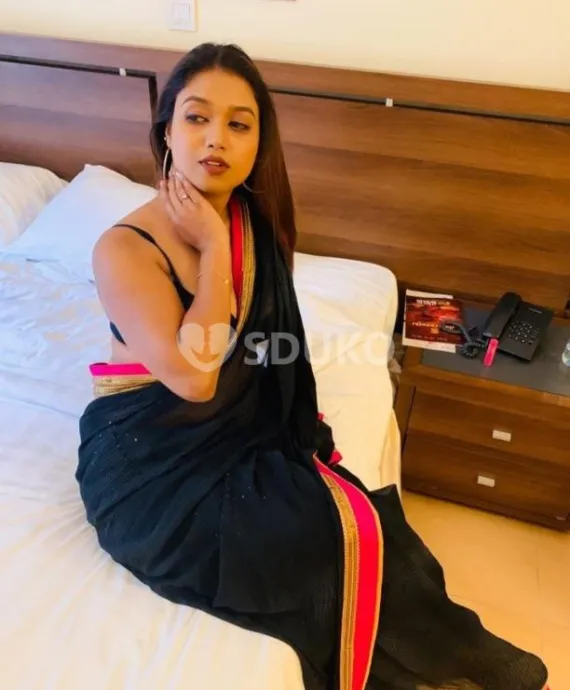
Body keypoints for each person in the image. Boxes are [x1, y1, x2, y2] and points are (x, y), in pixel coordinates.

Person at [76, 43, 550, 690]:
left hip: (230, 437)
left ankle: (460, 653)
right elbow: (196, 377)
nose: (216, 138)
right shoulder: (125, 249)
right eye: (196, 117)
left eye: (239, 124)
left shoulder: (250, 220)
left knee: (369, 524)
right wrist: (212, 250)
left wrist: (288, 417)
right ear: (166, 131)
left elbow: (273, 345)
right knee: (324, 536)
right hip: (151, 468)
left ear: (259, 142)